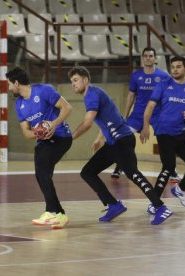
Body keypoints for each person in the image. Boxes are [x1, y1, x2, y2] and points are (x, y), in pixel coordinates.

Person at [68, 66, 172, 225]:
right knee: (88, 172)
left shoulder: (92, 94)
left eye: (75, 80)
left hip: (122, 141)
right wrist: (99, 137)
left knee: (133, 174)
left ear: (85, 80)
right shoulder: (94, 93)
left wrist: (70, 138)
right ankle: (114, 205)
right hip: (113, 143)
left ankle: (161, 207)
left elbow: (87, 123)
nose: (73, 84)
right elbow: (109, 117)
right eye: (71, 82)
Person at [6, 67, 73, 230]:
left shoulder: (43, 91)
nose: (8, 88)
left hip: (61, 136)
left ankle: (52, 211)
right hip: (43, 141)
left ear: (16, 83)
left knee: (42, 171)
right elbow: (26, 133)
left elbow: (67, 108)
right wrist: (38, 132)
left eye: (9, 84)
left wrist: (52, 124)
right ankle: (59, 215)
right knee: (43, 173)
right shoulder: (19, 104)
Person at [140, 56, 185, 212]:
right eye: (173, 66)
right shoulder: (163, 85)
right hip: (164, 131)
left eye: (178, 66)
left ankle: (180, 189)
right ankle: (155, 202)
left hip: (181, 133)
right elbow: (150, 106)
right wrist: (145, 126)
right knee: (168, 167)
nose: (175, 69)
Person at [111, 47, 180, 184]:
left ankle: (171, 170)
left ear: (155, 58)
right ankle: (120, 166)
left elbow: (170, 96)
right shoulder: (136, 76)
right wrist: (125, 115)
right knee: (124, 138)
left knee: (165, 141)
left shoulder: (164, 76)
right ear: (143, 58)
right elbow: (131, 96)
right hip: (137, 114)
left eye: (151, 56)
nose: (148, 58)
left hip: (157, 114)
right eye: (146, 56)